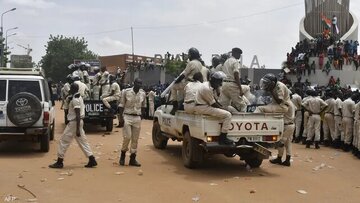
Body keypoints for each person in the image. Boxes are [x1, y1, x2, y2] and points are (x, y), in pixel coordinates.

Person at [49, 83, 97, 168]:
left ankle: (60, 161)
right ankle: (91, 159)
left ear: (73, 89)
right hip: (78, 122)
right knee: (83, 141)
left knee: (63, 141)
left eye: (71, 88)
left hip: (75, 123)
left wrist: (77, 129)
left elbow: (77, 114)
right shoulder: (78, 97)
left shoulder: (75, 99)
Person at [193, 71, 233, 145]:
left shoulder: (209, 86)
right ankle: (223, 138)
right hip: (202, 107)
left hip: (203, 106)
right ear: (214, 80)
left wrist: (222, 107)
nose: (220, 84)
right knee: (228, 115)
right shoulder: (206, 88)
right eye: (219, 81)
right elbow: (213, 104)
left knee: (228, 109)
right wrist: (223, 109)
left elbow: (215, 101)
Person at [118, 78, 146, 167]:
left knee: (135, 139)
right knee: (127, 137)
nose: (139, 84)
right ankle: (122, 156)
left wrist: (142, 115)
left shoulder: (143, 93)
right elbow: (121, 104)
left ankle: (132, 159)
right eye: (137, 83)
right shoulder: (126, 92)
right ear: (134, 83)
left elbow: (143, 105)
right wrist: (121, 118)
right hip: (127, 116)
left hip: (137, 117)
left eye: (140, 83)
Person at [169, 47, 203, 115]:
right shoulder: (200, 64)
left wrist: (177, 81)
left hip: (188, 82)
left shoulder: (191, 63)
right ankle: (181, 104)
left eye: (189, 54)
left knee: (173, 87)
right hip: (196, 83)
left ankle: (175, 105)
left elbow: (184, 74)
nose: (188, 56)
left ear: (191, 55)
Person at [218, 47, 247, 112]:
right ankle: (243, 120)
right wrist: (240, 89)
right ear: (235, 53)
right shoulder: (235, 61)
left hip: (224, 84)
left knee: (224, 106)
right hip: (232, 84)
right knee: (242, 105)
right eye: (239, 54)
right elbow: (236, 75)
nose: (240, 56)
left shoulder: (226, 61)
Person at [270, 99, 295, 167]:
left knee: (281, 142)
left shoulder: (286, 103)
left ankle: (279, 158)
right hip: (291, 125)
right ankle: (287, 159)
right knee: (288, 143)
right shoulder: (291, 103)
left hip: (286, 125)